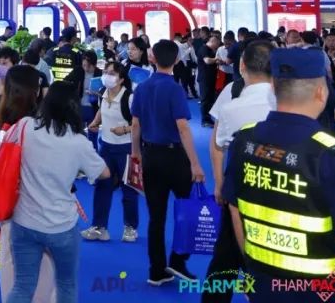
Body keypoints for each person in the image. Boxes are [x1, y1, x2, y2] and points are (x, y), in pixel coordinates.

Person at [223, 48, 335, 303]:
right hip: (322, 292)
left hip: (263, 285)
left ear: (273, 88)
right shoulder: (328, 152)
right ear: (321, 92)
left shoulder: (244, 140)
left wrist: (253, 273)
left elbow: (235, 211)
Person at [9, 82, 109, 303]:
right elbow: (104, 173)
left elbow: (5, 147)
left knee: (23, 286)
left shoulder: (25, 125)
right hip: (61, 225)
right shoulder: (78, 142)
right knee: (66, 284)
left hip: (24, 221)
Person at [203, 40, 276, 303]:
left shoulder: (231, 98)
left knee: (227, 254)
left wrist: (219, 183)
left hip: (239, 186)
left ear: (242, 65)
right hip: (281, 188)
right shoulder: (287, 97)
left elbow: (217, 144)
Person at [130, 39, 205, 286]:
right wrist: (195, 163)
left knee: (156, 217)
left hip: (150, 156)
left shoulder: (142, 87)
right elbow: (183, 127)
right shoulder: (174, 88)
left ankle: (156, 270)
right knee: (188, 210)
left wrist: (135, 153)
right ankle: (178, 261)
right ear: (177, 60)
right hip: (175, 158)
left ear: (152, 58)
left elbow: (136, 125)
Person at [0, 66, 53, 303]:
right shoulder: (39, 126)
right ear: (35, 91)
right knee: (44, 267)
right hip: (37, 209)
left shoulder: (5, 125)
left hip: (9, 207)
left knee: (10, 263)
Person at [83, 60, 138, 243]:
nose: (107, 76)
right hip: (105, 147)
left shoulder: (129, 98)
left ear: (121, 79)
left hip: (126, 149)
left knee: (128, 189)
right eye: (106, 72)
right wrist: (95, 122)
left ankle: (130, 227)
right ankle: (99, 227)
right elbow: (101, 109)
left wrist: (125, 129)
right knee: (102, 187)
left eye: (112, 73)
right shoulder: (103, 92)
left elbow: (140, 123)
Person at [48, 26, 84, 94]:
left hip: (56, 86)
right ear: (73, 38)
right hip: (70, 89)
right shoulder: (77, 53)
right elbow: (79, 73)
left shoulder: (54, 51)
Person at [199, 33, 221, 127]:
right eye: (217, 43)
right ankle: (205, 120)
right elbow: (207, 61)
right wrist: (216, 59)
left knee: (210, 99)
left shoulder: (211, 50)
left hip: (211, 77)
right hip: (204, 78)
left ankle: (208, 118)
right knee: (205, 99)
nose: (218, 45)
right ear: (213, 41)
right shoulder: (204, 49)